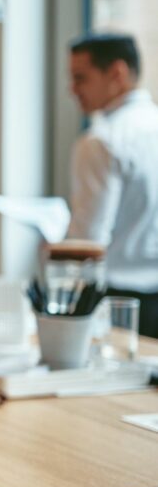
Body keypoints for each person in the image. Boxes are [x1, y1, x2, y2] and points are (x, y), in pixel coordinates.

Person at [67, 33, 158, 337]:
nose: (72, 90)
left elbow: (88, 241)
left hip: (122, 306)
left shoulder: (101, 141)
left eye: (81, 78)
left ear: (116, 73)